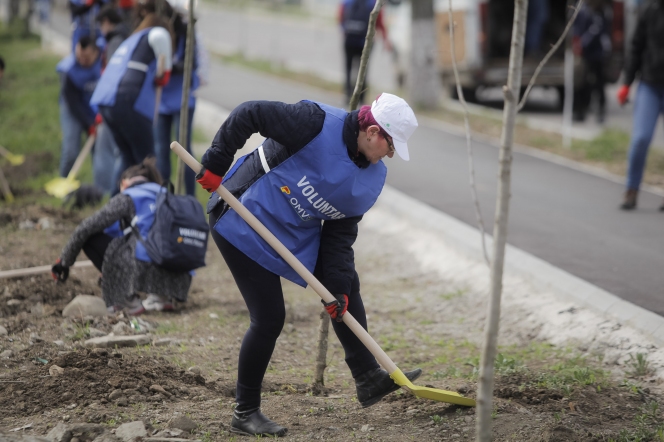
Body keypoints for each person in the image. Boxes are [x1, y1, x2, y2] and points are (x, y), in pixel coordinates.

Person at [196, 93, 421, 437]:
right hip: (244, 215)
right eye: (391, 146)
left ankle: (368, 377)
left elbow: (338, 236)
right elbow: (248, 113)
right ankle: (245, 412)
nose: (390, 155)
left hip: (291, 230)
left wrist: (338, 289)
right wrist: (216, 162)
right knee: (270, 317)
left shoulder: (369, 178)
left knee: (345, 282)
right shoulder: (312, 123)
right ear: (373, 132)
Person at [51, 157, 192, 314]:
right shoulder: (169, 195)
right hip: (181, 277)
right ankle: (162, 297)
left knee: (91, 238)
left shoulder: (129, 197)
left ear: (124, 183)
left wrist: (64, 262)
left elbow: (85, 228)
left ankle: (127, 299)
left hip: (150, 269)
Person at [90, 0, 173, 195]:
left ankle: (114, 207)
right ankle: (156, 205)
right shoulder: (158, 33)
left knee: (127, 158)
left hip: (106, 101)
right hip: (127, 100)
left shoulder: (132, 40)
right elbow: (164, 75)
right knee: (148, 160)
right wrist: (163, 76)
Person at [617, 0, 664, 211]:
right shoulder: (650, 10)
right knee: (641, 138)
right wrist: (626, 82)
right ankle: (631, 190)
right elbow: (636, 46)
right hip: (650, 84)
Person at [154, 5, 200, 196]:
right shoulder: (157, 34)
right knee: (161, 148)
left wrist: (169, 67)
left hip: (182, 99)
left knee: (184, 148)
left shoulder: (186, 33)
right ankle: (165, 196)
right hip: (161, 99)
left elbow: (192, 62)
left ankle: (190, 197)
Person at [92, 4, 130, 194]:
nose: (101, 30)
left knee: (108, 151)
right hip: (117, 104)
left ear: (107, 23)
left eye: (101, 25)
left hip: (112, 104)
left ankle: (106, 193)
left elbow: (113, 74)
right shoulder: (123, 38)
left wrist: (103, 106)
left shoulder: (115, 41)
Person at [56, 36, 101, 178]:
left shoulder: (104, 61)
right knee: (71, 151)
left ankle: (99, 187)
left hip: (96, 109)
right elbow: (73, 102)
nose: (82, 60)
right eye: (79, 56)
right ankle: (64, 182)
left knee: (99, 150)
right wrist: (89, 123)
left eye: (86, 58)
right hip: (72, 110)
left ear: (95, 53)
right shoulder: (68, 70)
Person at [339, 0, 389, 106]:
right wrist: (385, 39)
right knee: (363, 70)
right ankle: (361, 98)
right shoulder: (373, 3)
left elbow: (340, 17)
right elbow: (380, 22)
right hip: (365, 42)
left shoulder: (347, 2)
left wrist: (344, 30)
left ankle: (348, 95)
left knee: (348, 68)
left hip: (349, 39)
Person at [572, 0, 612, 123]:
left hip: (597, 53)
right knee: (582, 82)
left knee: (598, 83)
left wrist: (582, 44)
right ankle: (580, 110)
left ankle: (600, 109)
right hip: (584, 54)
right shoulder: (581, 9)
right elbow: (576, 28)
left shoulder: (601, 12)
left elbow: (597, 31)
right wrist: (578, 45)